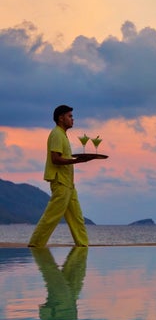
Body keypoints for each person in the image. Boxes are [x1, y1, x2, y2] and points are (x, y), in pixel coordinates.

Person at [28, 104, 107, 248]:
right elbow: (55, 159)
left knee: (77, 219)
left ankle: (83, 247)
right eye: (70, 116)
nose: (73, 119)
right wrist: (76, 161)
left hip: (69, 184)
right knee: (52, 216)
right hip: (61, 182)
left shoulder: (63, 135)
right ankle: (35, 245)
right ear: (61, 118)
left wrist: (76, 161)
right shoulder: (57, 134)